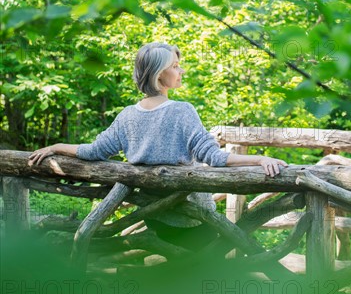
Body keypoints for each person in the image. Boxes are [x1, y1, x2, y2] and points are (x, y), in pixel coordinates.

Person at [29, 42, 287, 249]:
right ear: (158, 74)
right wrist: (261, 159)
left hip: (155, 221)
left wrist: (57, 146)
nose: (181, 71)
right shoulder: (182, 111)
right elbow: (214, 157)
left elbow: (93, 151)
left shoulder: (127, 116)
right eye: (175, 66)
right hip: (196, 223)